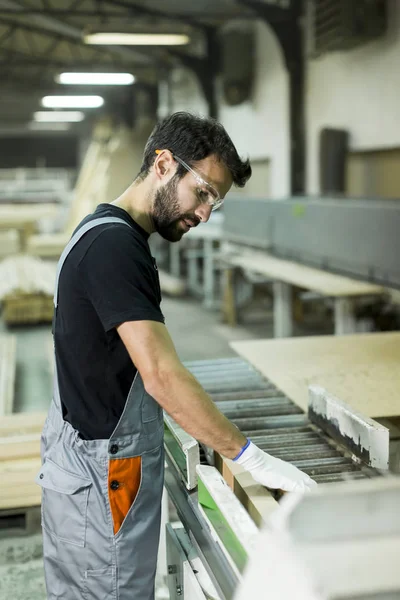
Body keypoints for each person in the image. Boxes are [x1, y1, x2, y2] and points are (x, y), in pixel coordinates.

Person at [36, 112, 316, 600]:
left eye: (216, 201)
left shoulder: (102, 230)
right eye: (203, 192)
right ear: (163, 164)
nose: (206, 212)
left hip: (83, 467)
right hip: (102, 482)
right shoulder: (114, 246)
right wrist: (250, 457)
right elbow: (161, 375)